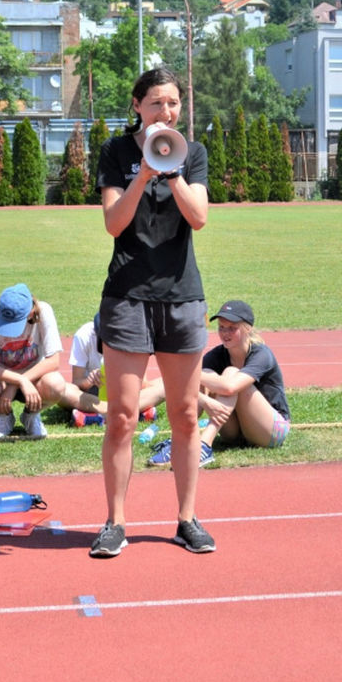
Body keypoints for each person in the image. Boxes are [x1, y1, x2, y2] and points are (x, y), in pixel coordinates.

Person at [90, 66, 215, 556]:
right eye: (157, 103)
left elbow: (199, 218)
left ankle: (187, 518)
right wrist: (143, 172)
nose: (167, 112)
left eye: (174, 103)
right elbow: (114, 223)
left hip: (181, 297)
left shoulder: (193, 154)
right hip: (126, 297)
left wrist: (174, 172)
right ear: (137, 106)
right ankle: (115, 521)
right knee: (121, 415)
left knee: (184, 414)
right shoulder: (116, 153)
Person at [147, 300, 291, 468]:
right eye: (222, 327)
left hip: (271, 431)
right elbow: (183, 383)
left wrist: (192, 373)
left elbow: (229, 387)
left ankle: (204, 446)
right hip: (235, 433)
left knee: (229, 374)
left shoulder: (261, 353)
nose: (225, 333)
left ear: (248, 328)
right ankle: (181, 439)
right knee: (204, 375)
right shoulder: (217, 355)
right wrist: (204, 400)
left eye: (232, 328)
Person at [0, 283, 71, 439]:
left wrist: (18, 383)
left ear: (31, 312)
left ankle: (31, 415)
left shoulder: (44, 311)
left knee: (56, 384)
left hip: (35, 382)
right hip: (1, 383)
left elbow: (54, 361)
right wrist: (17, 381)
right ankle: (4, 416)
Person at [68, 312, 162, 426]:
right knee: (61, 389)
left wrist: (126, 374)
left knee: (167, 385)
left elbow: (143, 384)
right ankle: (137, 411)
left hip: (125, 391)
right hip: (93, 395)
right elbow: (76, 382)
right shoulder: (84, 335)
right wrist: (89, 381)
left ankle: (96, 417)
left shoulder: (134, 337)